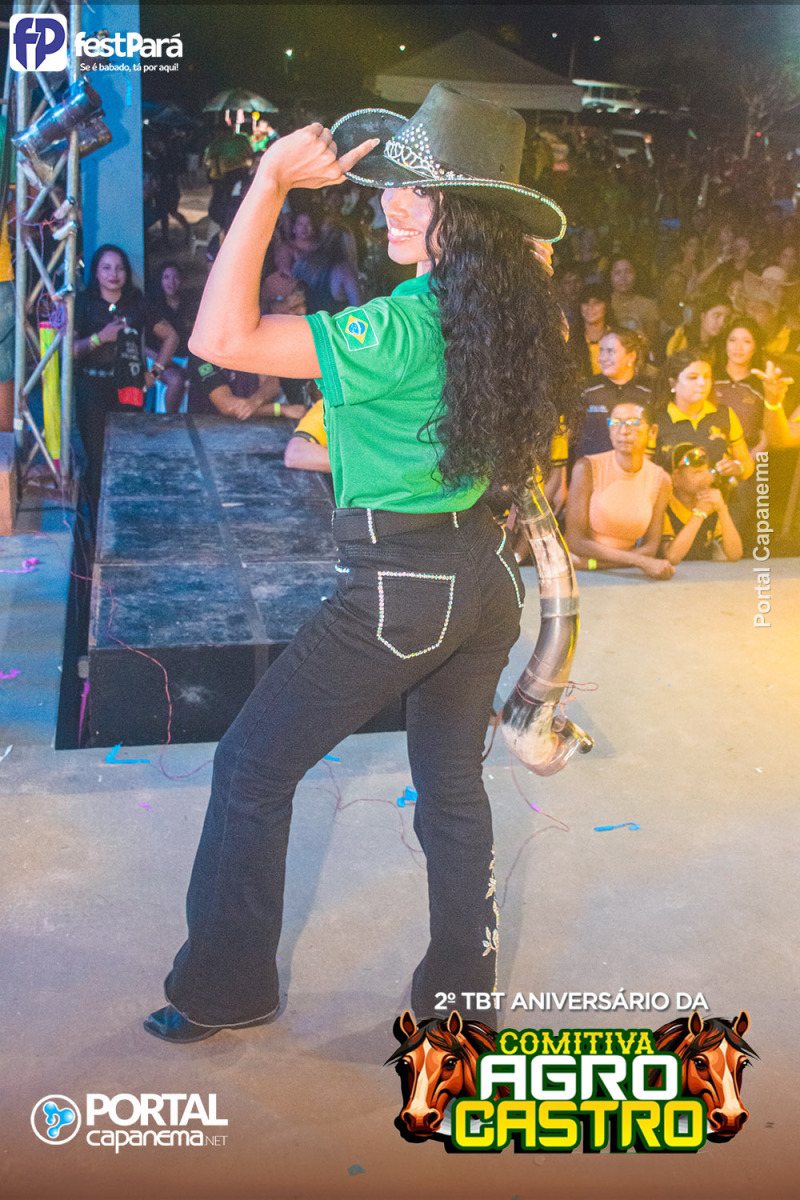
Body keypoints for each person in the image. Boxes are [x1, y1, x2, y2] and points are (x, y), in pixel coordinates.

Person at [144, 83, 575, 1042]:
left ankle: (225, 989)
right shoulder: (498, 312)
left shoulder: (404, 326)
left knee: (250, 767)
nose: (392, 203)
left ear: (467, 214)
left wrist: (267, 182)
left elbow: (219, 340)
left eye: (421, 191)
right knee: (451, 793)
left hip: (402, 590)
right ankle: (460, 1015)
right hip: (481, 582)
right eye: (392, 186)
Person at [73, 244, 178, 514]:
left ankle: (127, 516)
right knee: (96, 458)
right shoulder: (84, 303)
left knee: (128, 454)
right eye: (106, 268)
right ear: (96, 272)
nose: (114, 274)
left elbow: (171, 336)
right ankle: (95, 521)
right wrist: (100, 338)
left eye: (119, 268)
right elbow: (68, 350)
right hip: (92, 387)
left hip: (129, 387)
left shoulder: (137, 302)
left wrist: (155, 373)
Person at [565, 399, 674, 579]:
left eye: (633, 422)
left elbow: (651, 547)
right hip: (583, 574)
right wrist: (639, 561)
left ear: (652, 432)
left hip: (612, 571)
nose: (623, 431)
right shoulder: (587, 468)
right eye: (615, 422)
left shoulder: (661, 480)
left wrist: (594, 564)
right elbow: (576, 541)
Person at [572, 328, 652, 462]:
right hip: (591, 470)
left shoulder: (647, 392)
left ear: (631, 356)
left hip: (634, 471)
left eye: (610, 351)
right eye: (601, 351)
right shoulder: (587, 390)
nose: (602, 358)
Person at [661, 443, 742, 564]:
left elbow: (735, 554)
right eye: (697, 472)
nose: (706, 477)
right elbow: (672, 557)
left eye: (707, 470)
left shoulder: (711, 504)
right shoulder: (663, 507)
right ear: (675, 477)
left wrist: (722, 510)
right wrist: (699, 514)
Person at [147, 261, 196, 413]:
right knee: (176, 380)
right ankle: (169, 419)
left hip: (186, 360)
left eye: (175, 277)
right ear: (160, 280)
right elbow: (144, 345)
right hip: (159, 362)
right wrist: (162, 360)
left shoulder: (188, 305)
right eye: (166, 277)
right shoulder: (153, 306)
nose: (171, 282)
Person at [713, 317, 766, 453]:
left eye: (746, 341)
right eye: (732, 340)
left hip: (748, 457)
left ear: (755, 347)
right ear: (725, 344)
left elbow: (766, 435)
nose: (738, 347)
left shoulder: (762, 385)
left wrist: (748, 461)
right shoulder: (709, 378)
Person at [291, 224, 361, 313]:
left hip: (303, 320)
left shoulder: (302, 263)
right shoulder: (345, 272)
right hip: (331, 321)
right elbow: (358, 310)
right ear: (349, 246)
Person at [609, 257, 659, 349]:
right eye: (617, 273)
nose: (623, 278)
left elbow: (652, 341)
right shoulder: (604, 304)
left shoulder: (648, 305)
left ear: (636, 274)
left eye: (628, 272)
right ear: (610, 276)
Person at [664, 293, 731, 359]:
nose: (722, 323)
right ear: (703, 316)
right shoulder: (678, 338)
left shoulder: (721, 349)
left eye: (727, 318)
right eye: (716, 315)